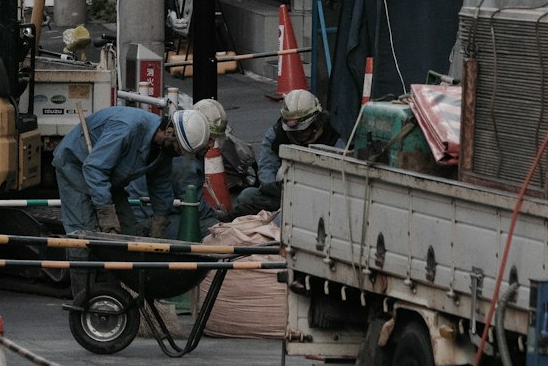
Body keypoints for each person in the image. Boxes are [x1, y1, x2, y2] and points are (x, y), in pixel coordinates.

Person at [53, 104, 211, 307]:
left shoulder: (164, 148)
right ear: (169, 132)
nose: (178, 155)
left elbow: (160, 184)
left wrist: (159, 223)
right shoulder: (126, 128)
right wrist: (105, 211)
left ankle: (117, 297)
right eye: (178, 149)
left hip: (111, 177)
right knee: (83, 236)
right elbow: (94, 168)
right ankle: (85, 305)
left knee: (126, 235)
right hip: (76, 168)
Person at [231, 89, 341, 218]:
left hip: (319, 198)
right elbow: (267, 168)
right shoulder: (276, 135)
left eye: (301, 132)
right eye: (293, 132)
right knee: (247, 196)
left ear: (316, 123)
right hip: (282, 194)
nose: (297, 136)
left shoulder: (334, 140)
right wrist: (277, 189)